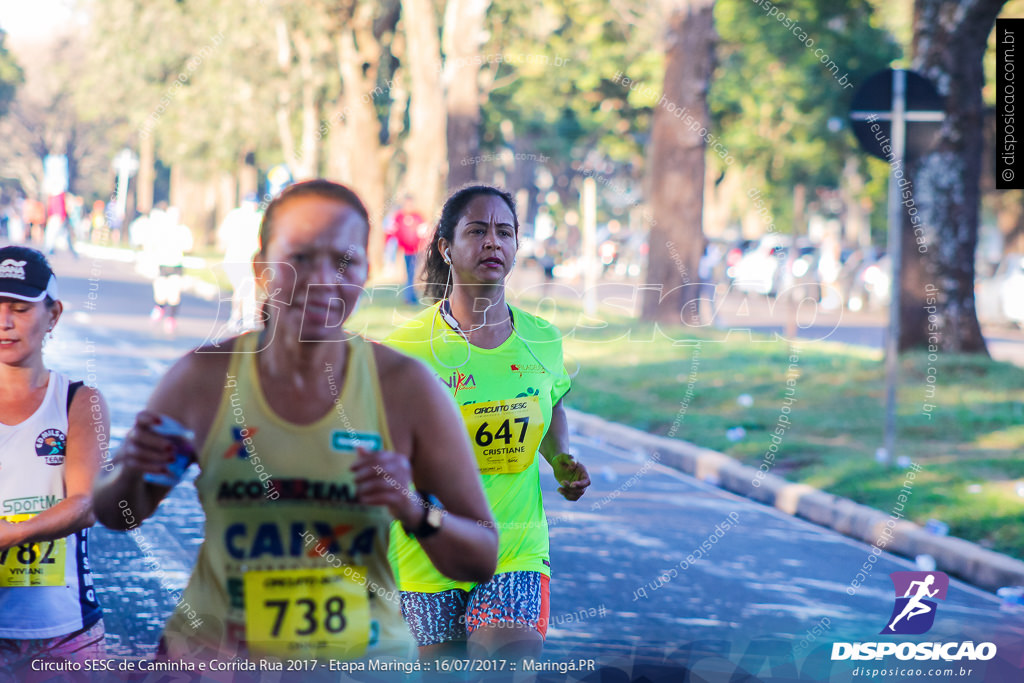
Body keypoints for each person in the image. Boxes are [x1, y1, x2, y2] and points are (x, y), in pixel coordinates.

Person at [93, 180, 498, 663]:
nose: (323, 279)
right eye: (301, 259)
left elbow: (482, 556)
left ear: (367, 272)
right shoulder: (202, 379)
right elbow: (119, 515)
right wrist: (132, 472)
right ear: (261, 269)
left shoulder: (404, 388)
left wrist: (414, 510)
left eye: (344, 261)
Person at [385, 185, 591, 660]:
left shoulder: (543, 339)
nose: (492, 242)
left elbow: (551, 404)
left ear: (517, 244)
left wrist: (561, 459)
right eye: (476, 231)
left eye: (504, 232)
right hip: (424, 555)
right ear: (446, 247)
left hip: (513, 549)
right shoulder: (403, 348)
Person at [0, 247, 107, 674]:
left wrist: (10, 535)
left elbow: (87, 503)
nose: (4, 322)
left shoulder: (80, 403)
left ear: (53, 315)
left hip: (64, 637)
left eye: (20, 308)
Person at [216, 193, 262, 331]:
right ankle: (236, 315)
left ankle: (247, 319)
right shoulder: (235, 216)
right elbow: (223, 235)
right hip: (235, 258)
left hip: (251, 259)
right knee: (240, 289)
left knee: (250, 288)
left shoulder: (258, 217)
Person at [393, 196, 428, 305]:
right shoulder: (398, 217)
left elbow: (423, 233)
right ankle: (409, 297)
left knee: (413, 274)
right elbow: (393, 232)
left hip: (416, 251)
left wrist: (422, 246)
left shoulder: (418, 217)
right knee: (408, 274)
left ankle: (411, 296)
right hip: (403, 251)